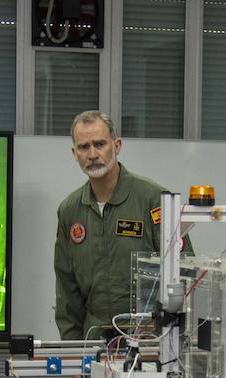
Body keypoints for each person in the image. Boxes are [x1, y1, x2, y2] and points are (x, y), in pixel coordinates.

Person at [54, 111, 188, 341]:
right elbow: (67, 294)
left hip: (150, 341)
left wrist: (168, 341)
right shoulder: (70, 210)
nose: (93, 154)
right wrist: (73, 354)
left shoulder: (154, 199)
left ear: (117, 145)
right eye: (84, 147)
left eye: (100, 144)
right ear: (74, 153)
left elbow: (184, 269)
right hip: (94, 342)